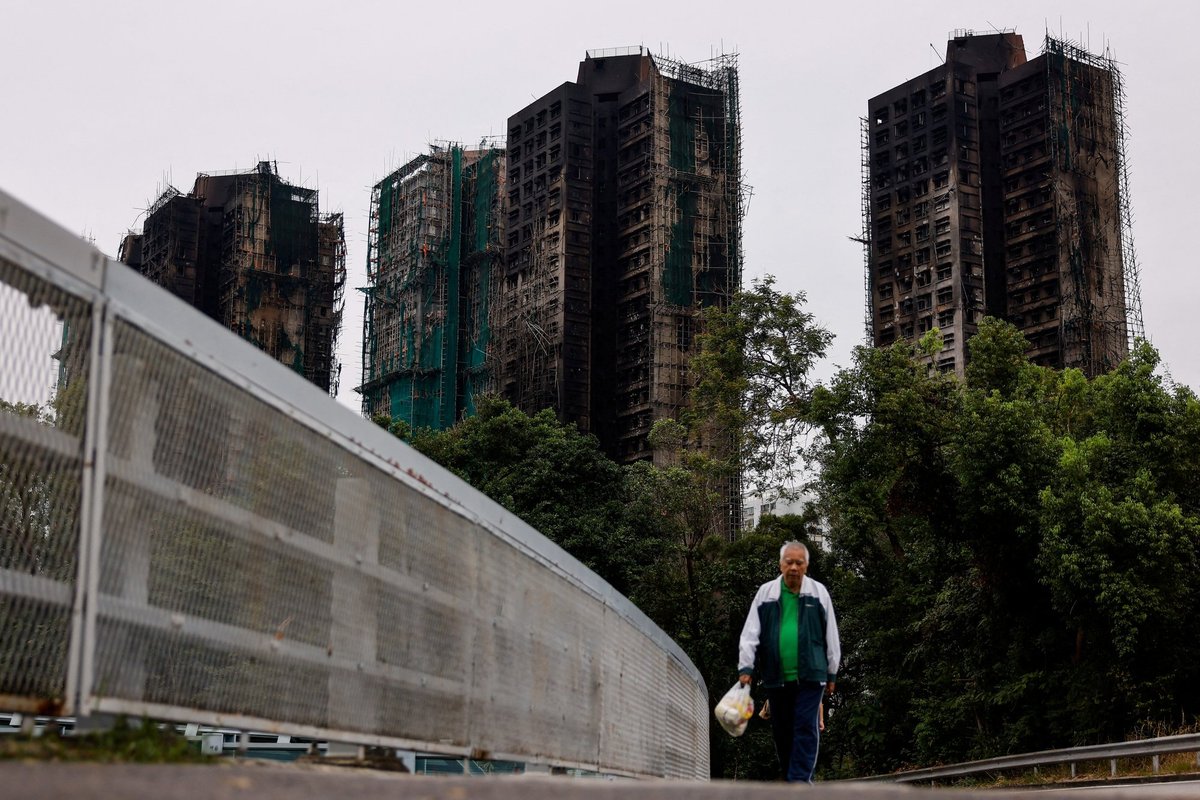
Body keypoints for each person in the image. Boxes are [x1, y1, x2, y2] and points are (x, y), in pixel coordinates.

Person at [737, 540, 840, 783]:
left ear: (806, 566)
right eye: (789, 562)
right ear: (780, 565)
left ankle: (800, 782)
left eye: (799, 563)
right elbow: (750, 633)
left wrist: (832, 671)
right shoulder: (765, 594)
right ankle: (791, 779)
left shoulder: (818, 593)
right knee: (782, 731)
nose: (794, 567)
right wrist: (746, 667)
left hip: (812, 675)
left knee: (805, 727)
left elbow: (831, 634)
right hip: (776, 676)